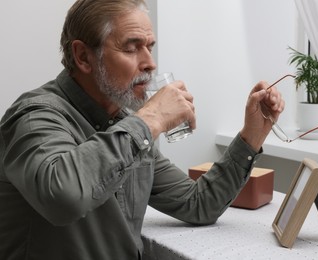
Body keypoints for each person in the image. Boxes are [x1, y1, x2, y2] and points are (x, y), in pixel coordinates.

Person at [0, 0, 284, 259]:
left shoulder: (126, 124)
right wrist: (151, 119)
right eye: (132, 47)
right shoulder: (35, 115)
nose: (150, 63)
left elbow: (197, 203)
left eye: (150, 46)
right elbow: (62, 197)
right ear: (83, 57)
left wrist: (252, 135)